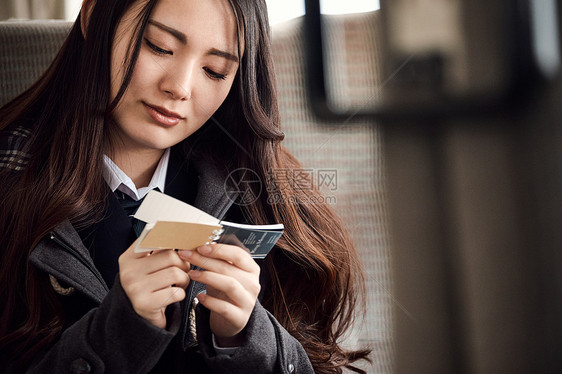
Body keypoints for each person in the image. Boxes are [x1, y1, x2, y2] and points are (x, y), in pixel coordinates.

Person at [0, 0, 371, 372]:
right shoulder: (11, 182)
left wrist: (246, 338)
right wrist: (118, 332)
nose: (179, 88)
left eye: (214, 70)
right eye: (159, 47)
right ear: (95, 14)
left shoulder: (262, 192)